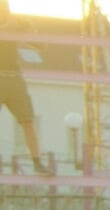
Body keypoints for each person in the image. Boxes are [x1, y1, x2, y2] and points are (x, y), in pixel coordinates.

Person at [0, 1, 49, 176]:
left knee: (28, 121)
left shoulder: (14, 24)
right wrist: (10, 26)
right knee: (27, 122)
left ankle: (37, 162)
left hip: (14, 78)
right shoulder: (9, 25)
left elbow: (42, 45)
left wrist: (29, 30)